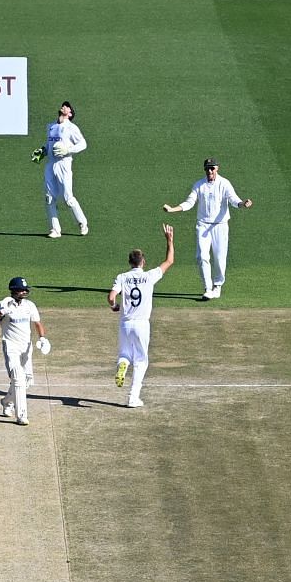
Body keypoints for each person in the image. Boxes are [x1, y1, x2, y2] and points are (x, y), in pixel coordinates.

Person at [163, 158, 254, 300]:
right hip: (203, 225)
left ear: (217, 168)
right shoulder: (199, 185)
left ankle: (217, 286)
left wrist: (243, 203)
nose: (210, 171)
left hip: (220, 226)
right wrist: (173, 209)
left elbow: (234, 199)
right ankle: (207, 288)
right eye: (207, 168)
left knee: (219, 257)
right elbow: (189, 202)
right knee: (201, 256)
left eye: (212, 168)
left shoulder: (224, 183)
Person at [108, 225, 177, 408]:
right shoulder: (149, 276)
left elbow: (111, 296)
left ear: (130, 262)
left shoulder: (122, 277)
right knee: (140, 361)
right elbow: (169, 261)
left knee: (124, 354)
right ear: (143, 262)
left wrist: (115, 306)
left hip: (125, 323)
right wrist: (169, 240)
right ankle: (132, 397)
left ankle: (123, 364)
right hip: (142, 325)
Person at [0, 276, 47, 426]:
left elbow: (37, 323)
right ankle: (21, 416)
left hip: (27, 346)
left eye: (25, 290)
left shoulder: (30, 305)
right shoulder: (4, 303)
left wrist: (43, 338)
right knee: (18, 378)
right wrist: (2, 312)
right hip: (11, 345)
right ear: (13, 290)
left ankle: (7, 401)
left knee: (26, 381)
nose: (24, 292)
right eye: (21, 290)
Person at [36, 101, 89, 239]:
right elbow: (49, 146)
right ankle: (55, 229)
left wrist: (68, 150)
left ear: (70, 113)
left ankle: (82, 223)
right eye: (63, 105)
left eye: (67, 106)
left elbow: (83, 144)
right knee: (49, 198)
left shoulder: (71, 128)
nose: (64, 106)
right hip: (50, 165)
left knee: (68, 199)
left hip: (64, 164)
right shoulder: (51, 126)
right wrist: (42, 151)